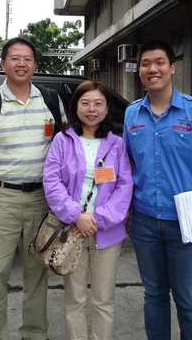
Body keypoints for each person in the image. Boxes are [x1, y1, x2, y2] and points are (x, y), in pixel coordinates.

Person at [0, 37, 67, 340]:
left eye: (28, 58)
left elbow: (63, 150)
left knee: (37, 272)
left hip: (41, 199)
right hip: (0, 198)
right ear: (3, 63)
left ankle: (35, 333)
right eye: (15, 58)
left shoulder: (50, 100)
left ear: (35, 64)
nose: (22, 64)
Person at [123, 40, 192, 340]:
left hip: (187, 223)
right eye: (145, 63)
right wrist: (126, 210)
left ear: (172, 67)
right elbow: (128, 165)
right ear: (139, 70)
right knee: (154, 295)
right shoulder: (131, 114)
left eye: (159, 62)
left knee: (188, 300)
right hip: (144, 221)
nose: (152, 69)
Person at [43, 80, 133, 340]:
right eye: (85, 103)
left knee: (104, 300)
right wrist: (76, 216)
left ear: (107, 109)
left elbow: (125, 185)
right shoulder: (62, 140)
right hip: (73, 230)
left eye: (98, 103)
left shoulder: (117, 144)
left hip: (107, 231)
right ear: (76, 107)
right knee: (75, 299)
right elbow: (52, 181)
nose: (91, 109)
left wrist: (98, 219)